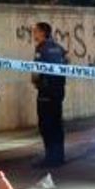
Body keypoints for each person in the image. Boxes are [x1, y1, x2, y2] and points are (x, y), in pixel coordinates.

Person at [31, 22, 68, 168]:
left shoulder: (41, 48)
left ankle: (50, 158)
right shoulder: (58, 47)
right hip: (58, 90)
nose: (34, 34)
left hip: (46, 91)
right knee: (57, 123)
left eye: (36, 31)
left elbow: (37, 69)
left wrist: (35, 81)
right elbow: (67, 61)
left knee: (46, 124)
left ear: (42, 32)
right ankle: (59, 156)